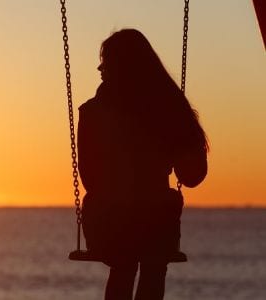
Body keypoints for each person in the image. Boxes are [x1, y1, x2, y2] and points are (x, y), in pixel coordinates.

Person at [78, 29, 208, 300]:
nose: (100, 68)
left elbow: (89, 175)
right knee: (153, 264)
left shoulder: (92, 112)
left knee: (124, 265)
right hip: (154, 220)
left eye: (106, 61)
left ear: (122, 67)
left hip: (109, 220)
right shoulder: (169, 108)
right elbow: (193, 174)